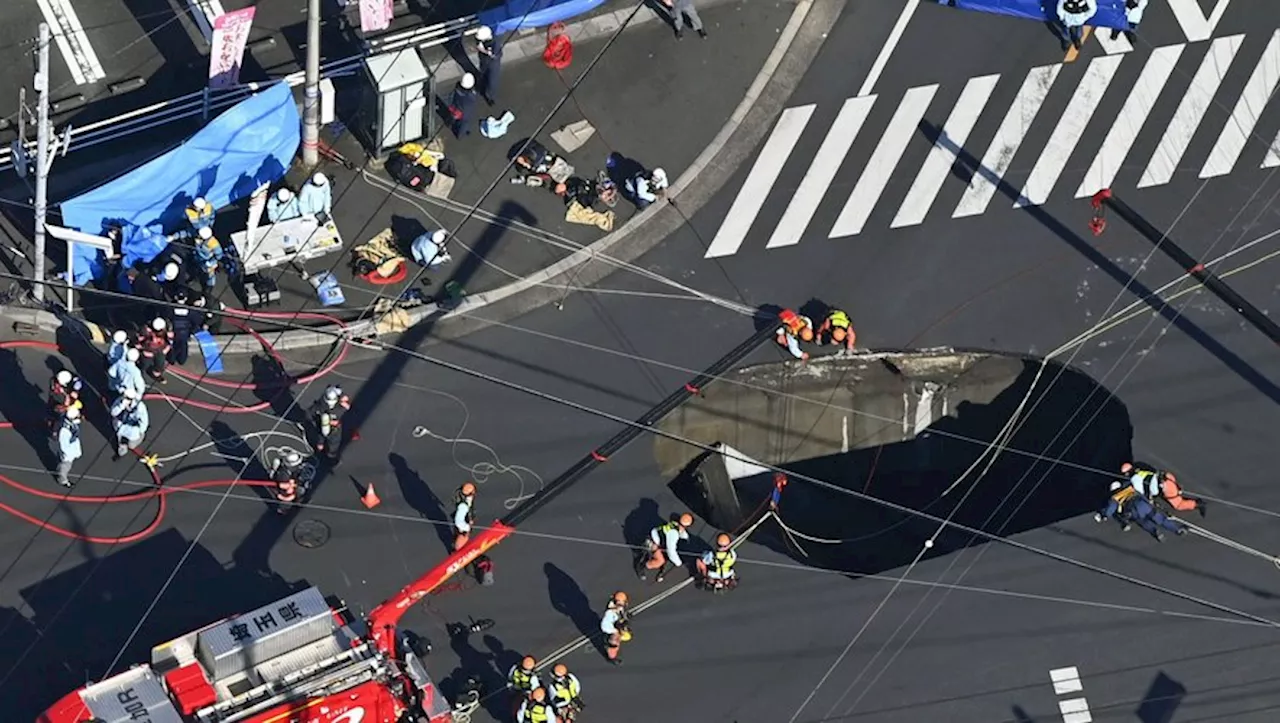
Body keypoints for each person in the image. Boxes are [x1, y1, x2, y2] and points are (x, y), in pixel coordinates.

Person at [1096, 481, 1185, 541]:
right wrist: (1150, 503)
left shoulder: (1114, 498)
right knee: (1159, 518)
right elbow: (1141, 495)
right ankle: (1176, 529)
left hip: (1133, 510)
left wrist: (1104, 515)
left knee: (1144, 522)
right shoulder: (1130, 488)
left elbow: (1111, 509)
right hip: (1143, 504)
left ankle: (1155, 531)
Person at [1123, 462, 1206, 517]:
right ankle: (1178, 489)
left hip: (1165, 487)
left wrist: (1150, 500)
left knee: (1178, 505)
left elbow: (1144, 493)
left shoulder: (1134, 481)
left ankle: (1197, 504)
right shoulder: (1140, 470)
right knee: (1176, 491)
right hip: (1166, 476)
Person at [638, 511, 692, 582]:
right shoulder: (674, 534)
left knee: (666, 554)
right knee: (660, 561)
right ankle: (642, 565)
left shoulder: (675, 524)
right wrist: (678, 562)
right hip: (653, 541)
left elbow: (681, 532)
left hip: (657, 535)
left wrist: (686, 537)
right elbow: (671, 551)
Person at [311, 385, 350, 461]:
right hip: (334, 430)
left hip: (321, 425)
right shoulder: (339, 409)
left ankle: (319, 451)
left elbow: (310, 412)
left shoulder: (320, 404)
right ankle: (331, 456)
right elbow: (347, 406)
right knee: (334, 443)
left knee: (320, 439)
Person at [110, 389, 150, 460]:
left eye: (127, 398)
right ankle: (122, 447)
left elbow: (144, 421)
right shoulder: (120, 401)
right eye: (124, 397)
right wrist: (121, 406)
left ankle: (141, 437)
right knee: (118, 432)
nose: (125, 399)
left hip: (133, 427)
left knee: (131, 445)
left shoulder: (140, 407)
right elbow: (113, 413)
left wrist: (140, 431)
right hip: (123, 422)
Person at [167, 287, 201, 366]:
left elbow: (166, 318)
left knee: (172, 354)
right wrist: (192, 332)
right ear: (186, 298)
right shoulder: (190, 311)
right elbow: (197, 322)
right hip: (184, 335)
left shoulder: (170, 309)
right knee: (182, 358)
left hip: (173, 335)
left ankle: (172, 359)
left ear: (175, 297)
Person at [54, 406, 83, 488]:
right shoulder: (65, 431)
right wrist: (72, 454)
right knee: (65, 467)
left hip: (71, 450)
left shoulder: (71, 426)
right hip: (68, 455)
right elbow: (64, 447)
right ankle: (62, 480)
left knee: (64, 463)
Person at [474, 25, 503, 105]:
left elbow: (497, 55)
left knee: (492, 80)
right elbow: (478, 45)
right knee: (483, 74)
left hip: (492, 64)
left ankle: (490, 97)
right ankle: (482, 85)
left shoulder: (495, 42)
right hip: (483, 60)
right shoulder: (481, 37)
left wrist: (488, 53)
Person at [138, 317, 173, 383]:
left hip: (160, 351)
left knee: (159, 365)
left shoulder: (167, 330)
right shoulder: (146, 330)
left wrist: (166, 349)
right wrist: (142, 349)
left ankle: (156, 375)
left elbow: (170, 341)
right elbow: (139, 340)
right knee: (144, 365)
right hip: (148, 350)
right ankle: (139, 377)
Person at [600, 591, 630, 665]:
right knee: (614, 644)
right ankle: (611, 658)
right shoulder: (610, 612)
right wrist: (615, 631)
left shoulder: (618, 608)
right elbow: (604, 625)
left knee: (619, 639)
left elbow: (621, 615)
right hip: (610, 630)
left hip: (615, 628)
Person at [449, 73, 478, 138]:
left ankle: (456, 126)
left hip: (456, 109)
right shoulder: (470, 96)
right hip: (464, 114)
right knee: (463, 125)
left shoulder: (458, 88)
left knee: (457, 120)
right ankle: (459, 135)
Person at [453, 481, 478, 551]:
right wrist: (467, 527)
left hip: (465, 528)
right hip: (462, 531)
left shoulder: (468, 501)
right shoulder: (463, 506)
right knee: (459, 548)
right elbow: (458, 522)